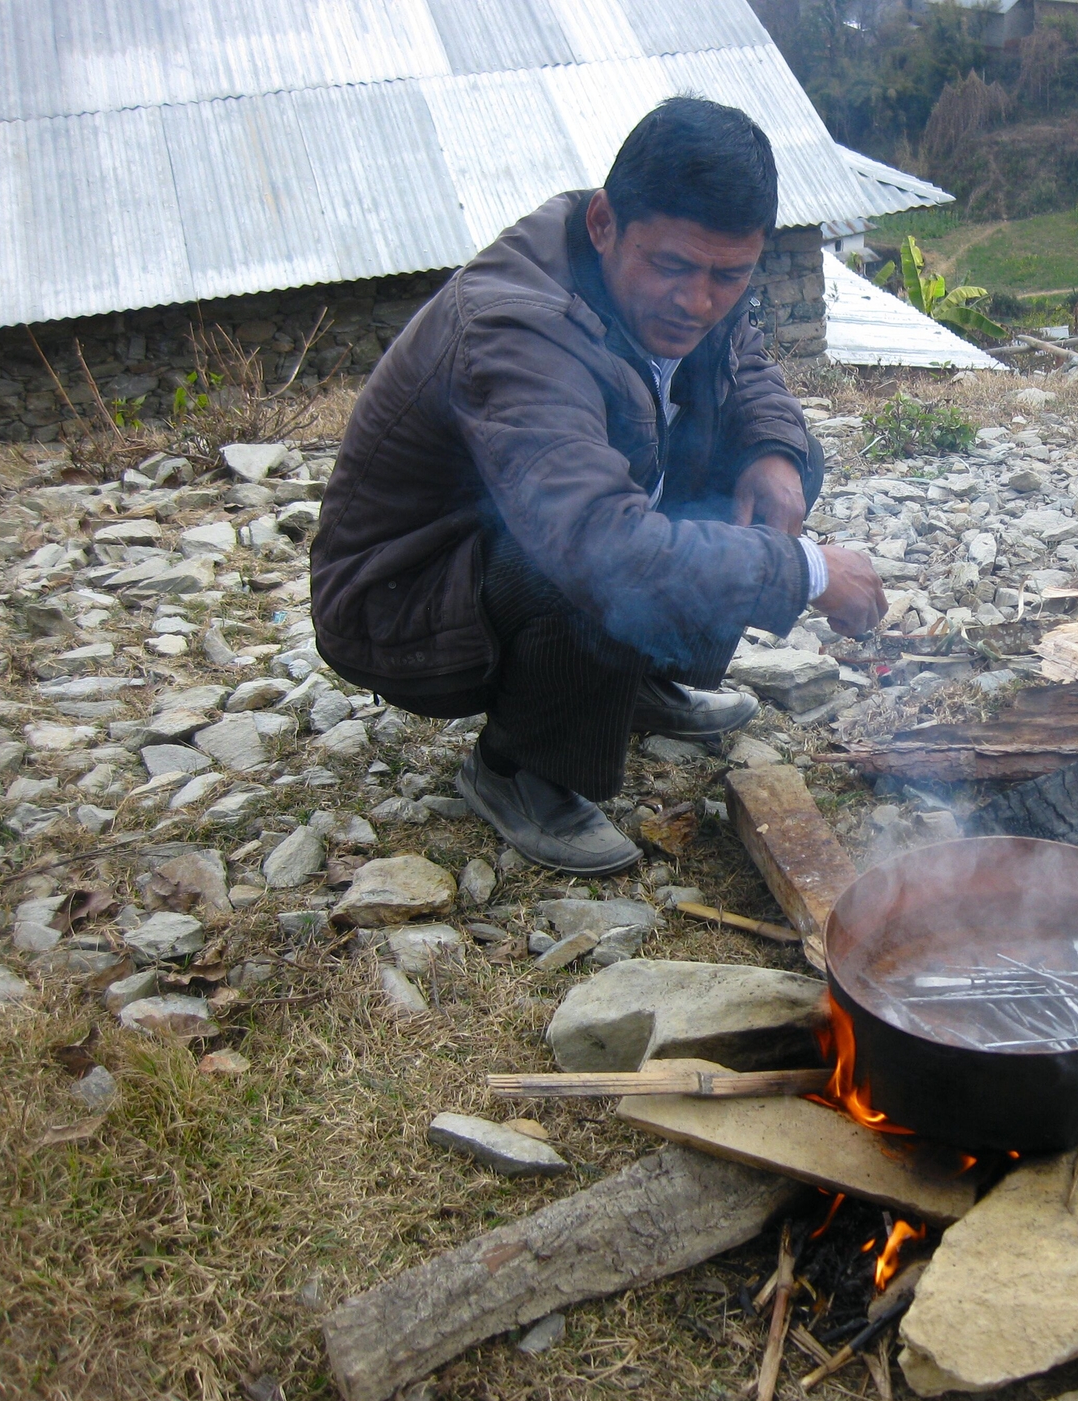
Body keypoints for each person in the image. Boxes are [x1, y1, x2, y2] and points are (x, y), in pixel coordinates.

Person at [310, 97, 886, 876]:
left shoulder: (687, 278)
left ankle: (637, 680)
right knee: (600, 564)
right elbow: (596, 545)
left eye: (730, 274)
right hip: (402, 596)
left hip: (539, 534)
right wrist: (807, 571)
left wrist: (774, 451)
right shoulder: (515, 324)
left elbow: (740, 355)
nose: (698, 300)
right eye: (675, 267)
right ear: (605, 223)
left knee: (775, 466)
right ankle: (519, 770)